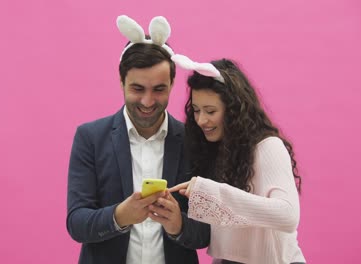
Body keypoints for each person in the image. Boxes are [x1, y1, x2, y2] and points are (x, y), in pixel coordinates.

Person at [66, 16, 209, 264]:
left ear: (172, 83)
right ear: (121, 81)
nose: (147, 101)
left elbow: (207, 232)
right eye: (138, 89)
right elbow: (76, 223)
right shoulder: (90, 138)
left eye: (159, 89)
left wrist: (178, 224)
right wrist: (120, 216)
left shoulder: (194, 141)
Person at [167, 55, 306, 264]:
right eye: (196, 111)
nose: (201, 120)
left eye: (211, 111)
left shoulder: (267, 146)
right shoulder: (217, 152)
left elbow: (288, 215)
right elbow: (227, 242)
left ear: (233, 110)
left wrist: (213, 193)